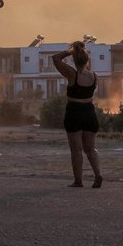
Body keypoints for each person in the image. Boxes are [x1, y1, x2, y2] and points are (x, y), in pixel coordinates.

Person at [52, 41, 102, 188]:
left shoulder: (72, 75)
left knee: (76, 150)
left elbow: (55, 58)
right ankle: (98, 174)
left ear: (74, 60)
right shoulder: (94, 76)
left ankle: (78, 180)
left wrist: (70, 51)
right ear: (87, 60)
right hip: (90, 113)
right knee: (90, 148)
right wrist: (78, 51)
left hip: (74, 112)